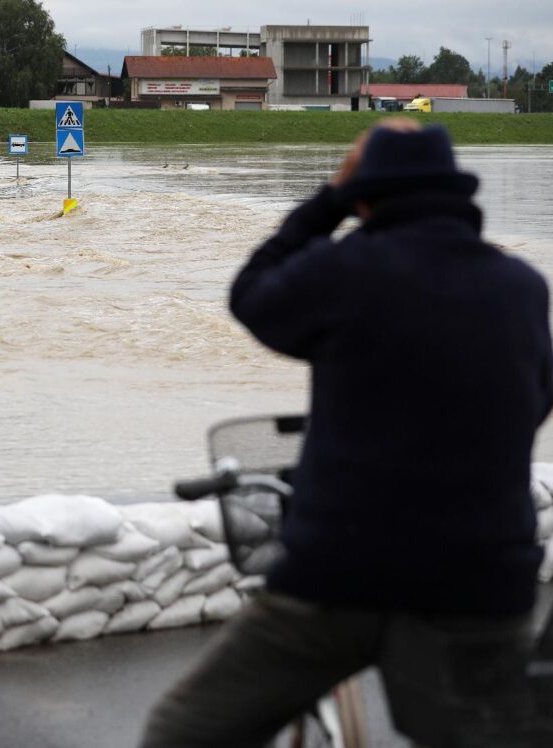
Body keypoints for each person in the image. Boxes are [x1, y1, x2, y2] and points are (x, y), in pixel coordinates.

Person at [140, 119, 553, 747]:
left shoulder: (345, 270)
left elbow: (251, 295)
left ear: (366, 196)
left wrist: (327, 199)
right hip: (479, 583)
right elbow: (534, 401)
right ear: (457, 194)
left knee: (183, 732)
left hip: (339, 577)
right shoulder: (522, 289)